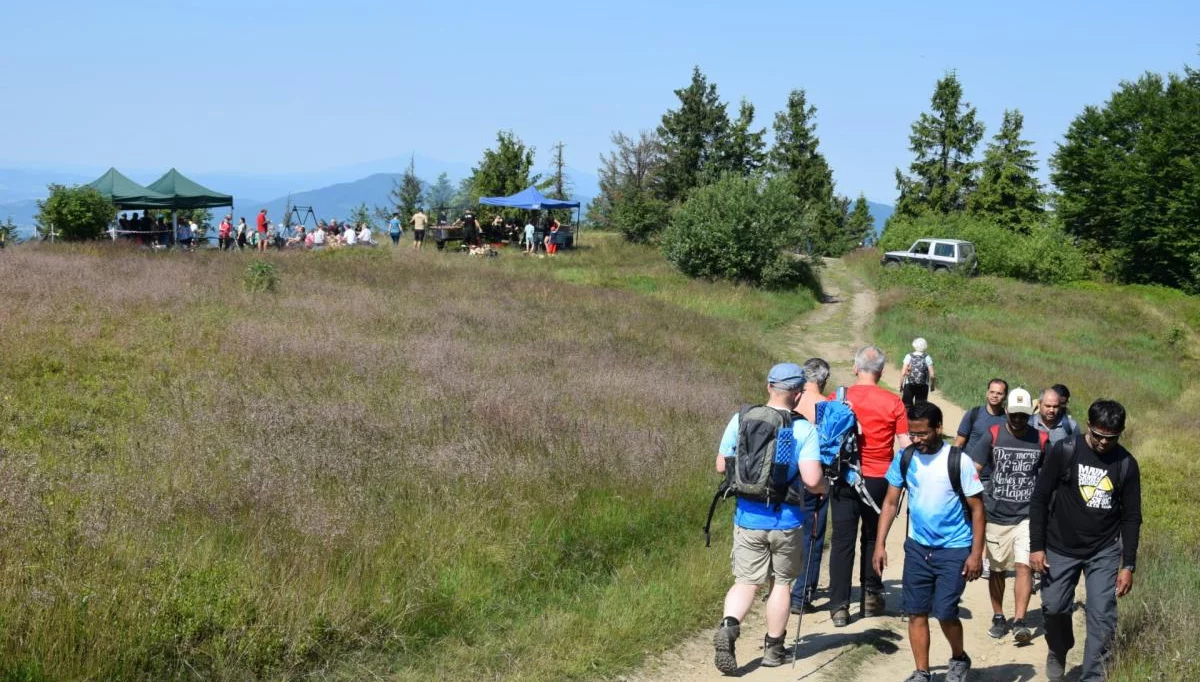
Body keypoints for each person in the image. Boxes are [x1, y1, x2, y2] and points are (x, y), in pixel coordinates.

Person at [712, 363, 824, 674]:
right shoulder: (803, 429)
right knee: (782, 584)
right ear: (798, 394)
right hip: (787, 519)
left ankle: (729, 626)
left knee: (746, 581)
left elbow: (722, 466)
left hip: (748, 517)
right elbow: (812, 480)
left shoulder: (742, 418)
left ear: (768, 386)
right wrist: (826, 486)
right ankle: (774, 649)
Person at [1030, 400, 1141, 682]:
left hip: (1103, 551)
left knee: (1102, 617)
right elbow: (1041, 498)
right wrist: (1037, 546)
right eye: (1098, 435)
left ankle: (1093, 677)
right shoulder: (1064, 450)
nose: (1104, 443)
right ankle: (1059, 648)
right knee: (1054, 608)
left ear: (1120, 432)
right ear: (1088, 425)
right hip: (1059, 546)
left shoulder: (1126, 463)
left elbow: (1131, 517)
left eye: (1111, 438)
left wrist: (1128, 564)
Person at [873, 401, 985, 682]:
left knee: (945, 611)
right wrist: (880, 544)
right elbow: (889, 502)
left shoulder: (959, 460)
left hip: (954, 548)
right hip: (918, 547)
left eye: (923, 433)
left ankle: (959, 658)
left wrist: (975, 554)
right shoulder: (905, 457)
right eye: (913, 433)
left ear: (938, 428)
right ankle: (921, 672)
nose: (917, 439)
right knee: (916, 612)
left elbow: (978, 509)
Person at [828, 345, 911, 627]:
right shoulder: (893, 403)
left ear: (855, 367)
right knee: (874, 538)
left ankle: (839, 606)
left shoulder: (838, 399)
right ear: (881, 371)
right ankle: (871, 597)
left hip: (843, 477)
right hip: (880, 479)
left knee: (841, 540)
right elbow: (905, 445)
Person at [966, 387, 1047, 643]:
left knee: (1024, 566)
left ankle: (1020, 620)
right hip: (996, 514)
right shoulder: (993, 434)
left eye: (1024, 416)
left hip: (1027, 515)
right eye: (1014, 415)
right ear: (1007, 412)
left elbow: (1050, 477)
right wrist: (973, 501)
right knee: (998, 570)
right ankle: (999, 616)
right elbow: (972, 470)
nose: (1019, 420)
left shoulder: (1042, 440)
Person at [790, 357, 832, 615]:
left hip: (785, 477)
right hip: (815, 476)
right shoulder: (828, 406)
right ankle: (800, 595)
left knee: (785, 535)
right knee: (812, 535)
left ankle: (779, 589)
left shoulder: (790, 400)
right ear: (824, 379)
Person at [953, 379, 1009, 451]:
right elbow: (959, 442)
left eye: (999, 393)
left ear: (1005, 396)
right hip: (970, 460)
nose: (995, 395)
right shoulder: (974, 413)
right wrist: (953, 458)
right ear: (987, 393)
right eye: (992, 392)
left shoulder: (1009, 418)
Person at [900, 338, 935, 407]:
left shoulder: (909, 356)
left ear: (914, 345)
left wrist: (901, 385)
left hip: (909, 385)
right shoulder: (927, 357)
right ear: (925, 346)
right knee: (919, 409)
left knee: (906, 407)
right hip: (923, 386)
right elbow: (932, 375)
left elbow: (903, 373)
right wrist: (932, 385)